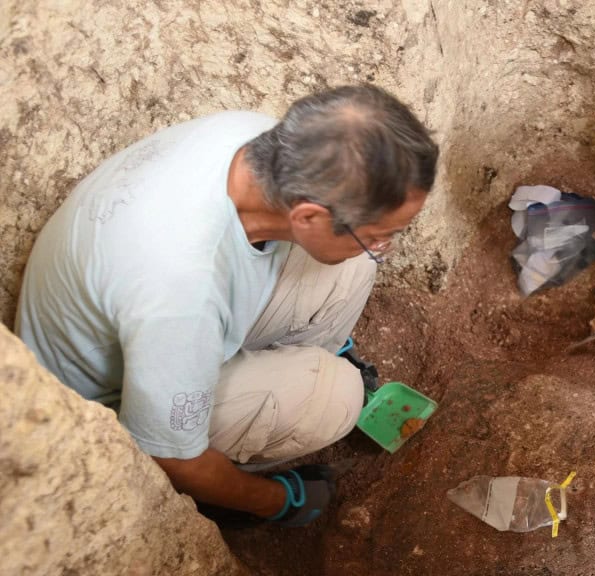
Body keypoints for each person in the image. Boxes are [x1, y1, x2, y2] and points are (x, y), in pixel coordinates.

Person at [16, 85, 439, 526]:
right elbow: (175, 459)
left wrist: (361, 244)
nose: (383, 246)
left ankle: (289, 372)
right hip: (113, 405)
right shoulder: (181, 290)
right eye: (375, 236)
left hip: (155, 333)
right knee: (336, 396)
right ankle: (224, 492)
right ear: (308, 217)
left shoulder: (250, 137)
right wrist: (277, 500)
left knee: (352, 267)